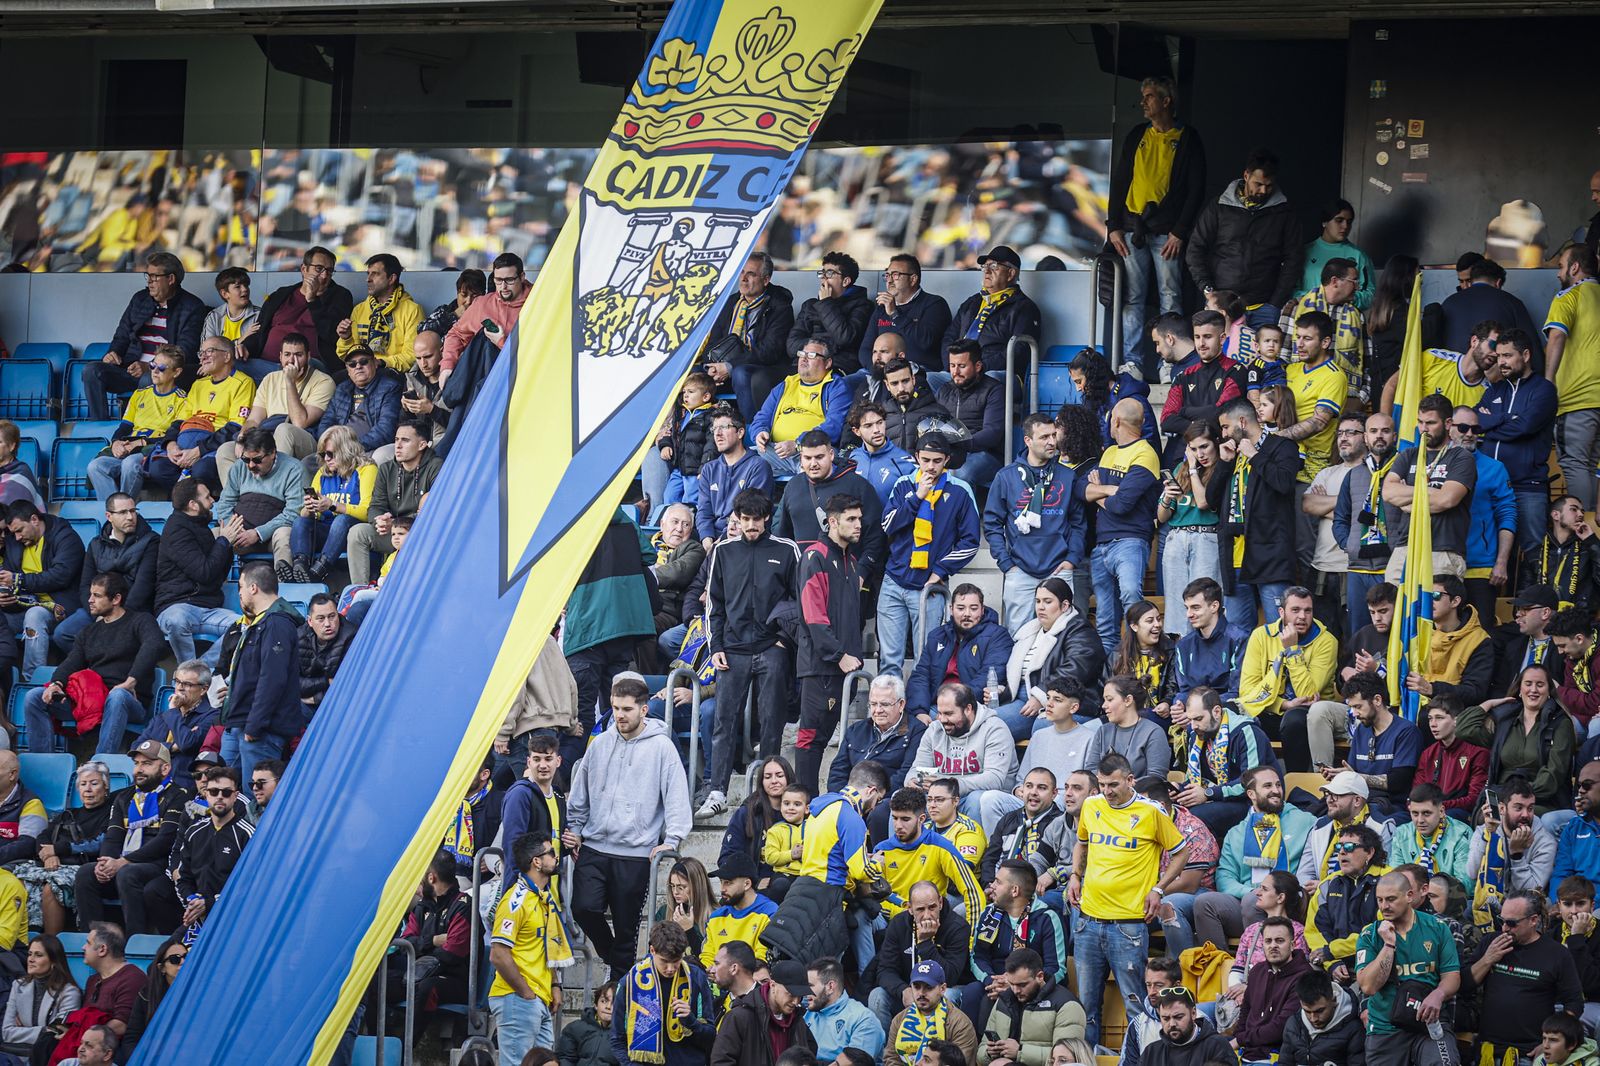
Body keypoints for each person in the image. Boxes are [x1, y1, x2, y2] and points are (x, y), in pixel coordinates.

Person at [567, 677, 691, 978]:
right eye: (614, 708)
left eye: (626, 709)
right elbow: (580, 790)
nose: (620, 715)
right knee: (583, 908)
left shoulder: (662, 747)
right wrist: (576, 828)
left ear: (644, 709)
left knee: (627, 929)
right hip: (595, 845)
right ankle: (615, 961)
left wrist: (672, 840)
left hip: (636, 853)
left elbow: (676, 795)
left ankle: (620, 994)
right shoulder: (600, 744)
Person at [1067, 753, 1187, 1047]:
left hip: (1128, 925)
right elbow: (1082, 843)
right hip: (1089, 922)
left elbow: (1182, 852)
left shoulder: (1152, 812)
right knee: (1087, 1009)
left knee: (1138, 1007)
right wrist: (1074, 875)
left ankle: (1145, 1057)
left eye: (1114, 784)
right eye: (1103, 784)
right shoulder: (1092, 806)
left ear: (1130, 780)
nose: (1107, 791)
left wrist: (1158, 889)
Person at [699, 490, 800, 817]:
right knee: (723, 720)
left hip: (773, 647)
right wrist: (716, 648)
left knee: (772, 719)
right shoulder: (722, 551)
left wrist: (785, 638)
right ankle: (717, 791)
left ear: (767, 517)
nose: (751, 525)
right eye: (745, 519)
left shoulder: (787, 550)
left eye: (757, 519)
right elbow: (714, 604)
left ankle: (766, 792)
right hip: (733, 649)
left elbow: (800, 600)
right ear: (737, 519)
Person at [1107, 76, 1206, 371]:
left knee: (1170, 297)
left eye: (1150, 96)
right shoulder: (1138, 134)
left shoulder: (1188, 137)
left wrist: (1180, 230)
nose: (1143, 102)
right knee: (1132, 297)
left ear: (1166, 101)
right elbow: (1120, 181)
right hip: (1132, 228)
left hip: (1167, 233)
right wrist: (1113, 226)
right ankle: (1132, 362)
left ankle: (1171, 364)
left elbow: (1195, 189)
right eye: (1143, 96)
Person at [762, 763, 889, 969]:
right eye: (878, 800)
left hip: (804, 887)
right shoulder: (850, 817)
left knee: (801, 962)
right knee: (822, 969)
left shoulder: (821, 808)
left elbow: (829, 851)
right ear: (871, 791)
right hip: (828, 896)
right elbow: (860, 870)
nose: (875, 807)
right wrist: (876, 864)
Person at [23, 572, 164, 756]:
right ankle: (43, 763)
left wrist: (131, 681)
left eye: (97, 596)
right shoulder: (89, 631)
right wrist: (56, 684)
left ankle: (102, 764)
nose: (90, 600)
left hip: (130, 701)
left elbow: (154, 644)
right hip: (92, 700)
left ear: (116, 599)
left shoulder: (140, 621)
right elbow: (72, 662)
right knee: (34, 697)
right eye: (90, 594)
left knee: (118, 696)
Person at [879, 434, 978, 675]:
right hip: (894, 581)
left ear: (947, 460)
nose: (931, 467)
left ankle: (920, 711)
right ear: (916, 458)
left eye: (937, 461)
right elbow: (888, 525)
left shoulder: (960, 490)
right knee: (889, 661)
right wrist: (917, 497)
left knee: (926, 662)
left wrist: (941, 571)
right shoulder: (904, 484)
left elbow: (970, 542)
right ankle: (889, 710)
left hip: (929, 587)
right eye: (925, 460)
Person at [1191, 766, 1316, 952]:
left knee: (1252, 901)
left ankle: (1258, 968)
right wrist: (1253, 891)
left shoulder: (1305, 821)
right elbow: (1225, 877)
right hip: (1246, 901)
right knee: (1204, 903)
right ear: (1251, 794)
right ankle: (1219, 968)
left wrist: (1265, 894)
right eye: (1267, 786)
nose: (1276, 790)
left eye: (1278, 785)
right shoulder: (1237, 832)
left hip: (1288, 902)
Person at [791, 494, 866, 794]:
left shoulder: (851, 559)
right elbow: (813, 616)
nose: (858, 524)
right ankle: (804, 806)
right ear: (833, 522)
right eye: (851, 519)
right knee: (810, 738)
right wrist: (838, 654)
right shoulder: (816, 556)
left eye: (859, 518)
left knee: (828, 738)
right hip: (821, 667)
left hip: (845, 665)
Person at [984, 415, 1085, 634]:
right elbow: (992, 523)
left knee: (1061, 635)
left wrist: (1071, 560)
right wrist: (1006, 563)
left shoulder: (1068, 477)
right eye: (1044, 437)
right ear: (1028, 441)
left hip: (1058, 568)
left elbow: (1078, 523)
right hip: (1019, 569)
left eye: (1053, 435)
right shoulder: (1006, 477)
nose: (1052, 442)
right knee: (1018, 635)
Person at [1463, 890, 1584, 1065]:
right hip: (1487, 1048)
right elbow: (1465, 984)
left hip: (1529, 1053)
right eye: (1501, 921)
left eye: (1511, 923)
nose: (1504, 928)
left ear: (1533, 920)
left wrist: (1549, 1044)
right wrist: (1488, 959)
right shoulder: (1491, 942)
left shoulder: (1556, 954)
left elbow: (1574, 1002)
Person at [81, 251, 207, 419]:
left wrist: (151, 366)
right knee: (91, 370)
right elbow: (122, 335)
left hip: (164, 372)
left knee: (149, 380)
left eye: (155, 277)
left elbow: (185, 350)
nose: (150, 282)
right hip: (131, 368)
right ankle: (99, 425)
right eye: (147, 276)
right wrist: (113, 354)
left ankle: (140, 428)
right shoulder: (140, 299)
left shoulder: (193, 306)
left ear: (171, 279)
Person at [1213, 397, 1302, 632]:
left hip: (1270, 556)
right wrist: (1223, 464)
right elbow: (1212, 501)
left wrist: (1255, 456)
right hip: (1235, 558)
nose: (1223, 434)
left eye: (1225, 427)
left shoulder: (1283, 447)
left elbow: (1284, 483)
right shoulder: (1232, 455)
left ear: (1242, 422)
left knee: (1279, 630)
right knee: (1238, 634)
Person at [1185, 150, 1302, 329]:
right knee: (1220, 356)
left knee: (1264, 357)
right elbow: (1195, 249)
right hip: (1222, 304)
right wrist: (1209, 291)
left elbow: (1294, 258)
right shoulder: (1219, 206)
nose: (1263, 191)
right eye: (1258, 184)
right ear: (1246, 175)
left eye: (1269, 186)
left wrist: (1276, 303)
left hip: (1265, 305)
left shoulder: (1284, 212)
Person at [1084, 398, 1161, 655]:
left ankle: (1135, 664)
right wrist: (1108, 491)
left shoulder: (1146, 453)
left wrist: (1099, 495)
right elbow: (1081, 490)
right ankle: (1109, 680)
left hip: (1130, 541)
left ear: (1115, 421)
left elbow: (1123, 504)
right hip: (1102, 545)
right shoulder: (1109, 452)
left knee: (1132, 605)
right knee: (1105, 621)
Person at [217, 563, 303, 781]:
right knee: (224, 794)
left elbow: (272, 679)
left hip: (259, 732)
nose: (240, 594)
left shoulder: (277, 624)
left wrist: (255, 726)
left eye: (241, 587)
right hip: (239, 725)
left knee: (255, 800)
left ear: (253, 588)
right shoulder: (260, 623)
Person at [490, 832, 569, 1065]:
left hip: (539, 998)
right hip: (518, 998)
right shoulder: (515, 899)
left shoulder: (543, 898)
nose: (556, 858)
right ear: (537, 861)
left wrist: (555, 984)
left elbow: (546, 946)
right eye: (551, 853)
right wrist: (526, 993)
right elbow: (498, 954)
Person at [992, 577, 1102, 742]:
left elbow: (1075, 669)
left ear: (1065, 606)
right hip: (1024, 699)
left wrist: (1042, 695)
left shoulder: (1081, 631)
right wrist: (1003, 689)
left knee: (1043, 727)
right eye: (1037, 601)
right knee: (990, 723)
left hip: (1068, 702)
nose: (1040, 607)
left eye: (1048, 601)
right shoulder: (1030, 631)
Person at [773, 432, 886, 591]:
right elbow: (783, 537)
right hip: (806, 584)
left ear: (831, 454)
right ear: (801, 459)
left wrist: (861, 573)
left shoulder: (858, 486)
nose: (813, 464)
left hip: (848, 582)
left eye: (819, 457)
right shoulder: (793, 486)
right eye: (807, 458)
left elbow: (876, 535)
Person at [1479, 328, 1559, 551]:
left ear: (1525, 355)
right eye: (1499, 357)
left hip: (1527, 487)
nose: (1501, 362)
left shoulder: (1544, 390)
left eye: (1507, 356)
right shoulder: (1495, 390)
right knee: (1491, 551)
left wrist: (1491, 423)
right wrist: (1507, 419)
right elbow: (1477, 422)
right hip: (1491, 487)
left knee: (1532, 553)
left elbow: (1524, 427)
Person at [1240, 586, 1338, 769]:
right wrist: (1283, 705)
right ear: (1281, 612)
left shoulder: (1327, 642)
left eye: (1307, 610)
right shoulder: (1261, 636)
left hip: (1309, 716)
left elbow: (1308, 695)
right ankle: (1249, 784)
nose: (1302, 616)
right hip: (1271, 709)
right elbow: (1247, 692)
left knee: (1293, 720)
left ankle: (1297, 783)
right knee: (1233, 712)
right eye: (1295, 610)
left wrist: (1292, 651)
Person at [143, 336, 256, 494]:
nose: (203, 356)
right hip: (185, 442)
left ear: (227, 356)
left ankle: (194, 502)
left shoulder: (243, 382)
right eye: (201, 353)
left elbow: (235, 427)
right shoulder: (198, 384)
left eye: (209, 351)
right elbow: (179, 421)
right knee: (158, 468)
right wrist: (171, 445)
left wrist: (199, 451)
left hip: (213, 445)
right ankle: (187, 501)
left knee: (201, 469)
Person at [216, 332, 335, 481]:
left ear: (308, 356)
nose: (292, 360)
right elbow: (254, 420)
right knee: (225, 451)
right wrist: (242, 439)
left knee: (284, 430)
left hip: (305, 440)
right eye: (287, 354)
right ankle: (238, 499)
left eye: (298, 355)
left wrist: (290, 382)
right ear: (280, 356)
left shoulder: (323, 381)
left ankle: (272, 491)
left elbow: (300, 423)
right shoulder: (270, 378)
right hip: (268, 436)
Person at [905, 683, 1019, 837]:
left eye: (949, 713)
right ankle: (905, 856)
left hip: (986, 802)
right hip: (943, 799)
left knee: (976, 799)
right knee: (903, 798)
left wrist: (948, 784)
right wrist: (912, 781)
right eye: (939, 713)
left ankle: (976, 857)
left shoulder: (994, 729)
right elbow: (917, 768)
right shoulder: (935, 730)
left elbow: (994, 779)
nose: (942, 719)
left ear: (968, 709)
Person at [963, 860, 1068, 1020]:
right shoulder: (989, 915)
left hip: (1031, 986)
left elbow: (1056, 968)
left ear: (1014, 890)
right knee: (972, 993)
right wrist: (991, 980)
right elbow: (978, 957)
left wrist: (1016, 984)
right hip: (993, 981)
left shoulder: (1047, 918)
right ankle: (976, 1045)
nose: (992, 886)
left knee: (996, 1001)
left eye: (998, 882)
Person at [54, 493, 158, 653]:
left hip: (133, 610)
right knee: (63, 634)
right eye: (123, 512)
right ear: (109, 516)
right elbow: (85, 585)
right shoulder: (96, 544)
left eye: (133, 511)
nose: (130, 517)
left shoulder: (151, 541)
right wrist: (96, 611)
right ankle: (94, 667)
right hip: (99, 608)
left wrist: (116, 616)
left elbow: (144, 587)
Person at [347, 419, 443, 585]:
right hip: (392, 531)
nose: (398, 445)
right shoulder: (386, 468)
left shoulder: (436, 466)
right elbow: (375, 506)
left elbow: (435, 510)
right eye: (397, 440)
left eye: (405, 440)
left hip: (419, 532)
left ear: (422, 445)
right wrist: (379, 520)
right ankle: (359, 589)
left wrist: (398, 523)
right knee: (358, 532)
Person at [1174, 687, 1278, 839]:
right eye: (1190, 720)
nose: (1193, 725)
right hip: (1218, 798)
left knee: (1193, 817)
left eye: (1198, 719)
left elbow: (1252, 783)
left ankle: (1204, 860)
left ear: (1216, 712)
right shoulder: (1195, 735)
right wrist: (1179, 789)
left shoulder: (1246, 731)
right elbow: (1195, 780)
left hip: (1251, 802)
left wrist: (1209, 794)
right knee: (1169, 811)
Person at [152, 479, 237, 663]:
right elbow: (203, 572)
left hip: (207, 607)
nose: (213, 500)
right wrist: (223, 541)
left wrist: (227, 544)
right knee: (177, 621)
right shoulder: (176, 530)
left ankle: (199, 670)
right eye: (207, 497)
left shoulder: (200, 526)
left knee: (243, 628)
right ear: (193, 505)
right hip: (176, 605)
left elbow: (217, 574)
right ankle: (188, 670)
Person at [703, 251, 795, 419]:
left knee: (740, 372)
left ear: (766, 280)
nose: (743, 278)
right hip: (724, 368)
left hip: (761, 367)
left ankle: (752, 431)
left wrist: (729, 366)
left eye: (751, 274)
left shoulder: (779, 307)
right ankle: (693, 433)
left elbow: (769, 351)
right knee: (690, 375)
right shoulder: (731, 302)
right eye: (742, 272)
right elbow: (712, 342)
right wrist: (712, 368)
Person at [871, 882, 972, 1033]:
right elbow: (885, 970)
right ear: (910, 909)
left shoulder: (958, 927)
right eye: (920, 909)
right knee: (877, 996)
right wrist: (903, 990)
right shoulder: (898, 924)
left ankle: (937, 1051)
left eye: (932, 907)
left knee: (948, 995)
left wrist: (925, 943)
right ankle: (886, 1053)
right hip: (911, 991)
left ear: (941, 903)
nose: (927, 915)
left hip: (946, 989)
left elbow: (950, 977)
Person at [1333, 410, 1399, 637]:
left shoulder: (1405, 471)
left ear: (1395, 436)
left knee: (1393, 633)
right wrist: (1348, 543)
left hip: (1390, 567)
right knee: (1359, 633)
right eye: (1373, 431)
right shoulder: (1354, 475)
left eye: (1385, 431)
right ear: (1365, 437)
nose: (1379, 436)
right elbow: (1340, 517)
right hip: (1358, 569)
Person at [86, 350, 185, 501]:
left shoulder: (183, 400)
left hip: (154, 448)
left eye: (162, 368)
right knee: (96, 466)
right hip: (129, 445)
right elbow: (125, 427)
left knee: (129, 464)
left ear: (176, 372)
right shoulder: (139, 394)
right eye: (152, 366)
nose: (155, 371)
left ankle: (125, 510)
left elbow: (173, 435)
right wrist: (116, 443)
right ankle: (113, 515)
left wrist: (141, 443)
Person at [0, 500, 84, 676]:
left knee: (35, 614)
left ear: (34, 519)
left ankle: (31, 678)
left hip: (60, 607)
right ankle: (6, 678)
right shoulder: (15, 544)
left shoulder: (66, 537)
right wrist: (6, 598)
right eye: (13, 533)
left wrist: (19, 580)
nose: (16, 537)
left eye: (19, 530)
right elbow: (10, 580)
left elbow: (60, 576)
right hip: (24, 605)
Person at [1303, 415, 1366, 640]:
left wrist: (1327, 505)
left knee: (1353, 638)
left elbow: (1365, 516)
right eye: (1340, 433)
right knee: (1322, 639)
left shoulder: (1371, 474)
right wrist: (1348, 503)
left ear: (1366, 437)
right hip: (1321, 568)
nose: (1343, 438)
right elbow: (1308, 504)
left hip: (1354, 569)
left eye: (1351, 433)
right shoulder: (1327, 473)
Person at [170, 764, 253, 935]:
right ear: (206, 794)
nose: (220, 797)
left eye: (226, 792)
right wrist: (192, 901)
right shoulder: (194, 832)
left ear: (236, 796)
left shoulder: (247, 834)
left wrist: (209, 904)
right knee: (165, 956)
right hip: (199, 918)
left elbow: (249, 886)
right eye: (214, 792)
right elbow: (183, 878)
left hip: (234, 919)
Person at [1466, 779, 1557, 934]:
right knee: (1468, 909)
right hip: (1491, 900)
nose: (1526, 815)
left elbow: (1532, 891)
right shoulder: (1484, 831)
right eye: (1518, 808)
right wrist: (1490, 836)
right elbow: (1472, 872)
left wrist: (1517, 856)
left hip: (1524, 908)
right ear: (1501, 808)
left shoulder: (1545, 841)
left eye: (1530, 808)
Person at [1483, 664, 1576, 815]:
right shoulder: (1505, 721)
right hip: (1503, 798)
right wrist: (1491, 703)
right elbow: (1463, 728)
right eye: (1528, 684)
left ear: (1549, 691)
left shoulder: (1561, 723)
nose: (1533, 690)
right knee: (1484, 817)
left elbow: (1554, 774)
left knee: (1513, 816)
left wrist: (1517, 799)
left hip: (1540, 801)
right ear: (1519, 689)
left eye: (1540, 685)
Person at [1157, 424, 1223, 634]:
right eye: (1193, 449)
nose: (1200, 454)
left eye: (1204, 446)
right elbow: (1161, 516)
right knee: (1177, 605)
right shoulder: (1180, 469)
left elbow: (1203, 503)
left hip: (1206, 537)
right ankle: (1177, 659)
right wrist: (1167, 496)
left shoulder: (1221, 468)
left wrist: (1193, 468)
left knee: (1204, 603)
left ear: (1216, 443)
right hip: (1176, 538)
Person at [752, 339, 853, 476]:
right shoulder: (786, 385)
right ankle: (800, 471)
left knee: (826, 456)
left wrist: (798, 444)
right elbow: (762, 416)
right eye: (801, 354)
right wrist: (760, 431)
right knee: (752, 456)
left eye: (811, 355)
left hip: (813, 451)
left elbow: (834, 426)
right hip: (777, 452)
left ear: (828, 363)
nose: (804, 359)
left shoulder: (836, 387)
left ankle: (803, 470)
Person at [213, 425, 306, 573]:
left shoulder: (293, 469)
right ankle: (207, 590)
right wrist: (234, 530)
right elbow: (225, 503)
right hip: (239, 534)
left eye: (257, 460)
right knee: (209, 536)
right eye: (246, 459)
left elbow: (293, 512)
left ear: (273, 453)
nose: (250, 465)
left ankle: (285, 586)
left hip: (271, 534)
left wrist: (258, 533)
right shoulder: (239, 467)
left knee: (284, 535)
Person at [1330, 671, 1423, 818]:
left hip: (1392, 807)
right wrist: (1338, 774)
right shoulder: (1362, 730)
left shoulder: (1406, 732)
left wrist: (1356, 776)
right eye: (1352, 707)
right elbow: (1353, 771)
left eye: (1358, 706)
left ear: (1377, 700)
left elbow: (1398, 782)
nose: (1354, 713)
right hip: (1359, 802)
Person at [245, 246, 354, 370]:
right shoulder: (281, 294)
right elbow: (259, 331)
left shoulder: (340, 296)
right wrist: (245, 347)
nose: (324, 276)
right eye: (319, 269)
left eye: (329, 271)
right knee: (232, 362)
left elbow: (332, 335)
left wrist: (312, 301)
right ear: (304, 269)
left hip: (310, 365)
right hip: (268, 363)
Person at [974, 946, 1086, 1065]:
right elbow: (980, 1053)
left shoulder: (1067, 1005)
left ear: (1040, 976)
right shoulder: (1004, 999)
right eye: (1011, 984)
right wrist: (990, 1053)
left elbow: (1068, 1060)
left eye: (1022, 985)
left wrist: (1020, 1052)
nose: (1016, 990)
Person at [1305, 824, 1386, 978]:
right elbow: (1314, 930)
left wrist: (1332, 951)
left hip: (1374, 959)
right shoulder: (1327, 884)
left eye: (1349, 847)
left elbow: (1379, 930)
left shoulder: (1388, 881)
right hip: (1333, 962)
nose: (1341, 852)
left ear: (1369, 852)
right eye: (1339, 846)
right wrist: (1332, 963)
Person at [941, 246, 1042, 370]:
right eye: (985, 267)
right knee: (932, 378)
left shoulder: (1024, 308)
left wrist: (978, 369)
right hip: (960, 371)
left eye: (994, 266)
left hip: (994, 374)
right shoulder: (972, 302)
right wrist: (951, 366)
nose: (987, 271)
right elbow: (949, 337)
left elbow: (1019, 351)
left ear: (1011, 273)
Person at [1231, 916, 1313, 1063]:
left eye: (1279, 941)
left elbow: (1281, 1027)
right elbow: (1245, 1012)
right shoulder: (1257, 971)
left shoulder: (1304, 977)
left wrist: (1240, 1040)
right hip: (1247, 1048)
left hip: (1276, 1054)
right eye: (1268, 941)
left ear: (1293, 944)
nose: (1273, 945)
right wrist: (1238, 1039)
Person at [711, 957, 818, 1066]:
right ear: (772, 985)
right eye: (790, 994)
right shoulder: (740, 1017)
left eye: (800, 996)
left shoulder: (797, 1019)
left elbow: (809, 1055)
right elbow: (721, 1061)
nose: (796, 1001)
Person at [441, 252, 531, 382]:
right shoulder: (483, 303)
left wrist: (502, 342)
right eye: (498, 280)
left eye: (509, 280)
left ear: (522, 277)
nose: (503, 287)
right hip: (486, 385)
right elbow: (456, 334)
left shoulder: (537, 302)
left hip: (524, 380)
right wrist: (447, 366)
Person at [1294, 769, 1392, 888]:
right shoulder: (1319, 826)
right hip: (1319, 900)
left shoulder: (1381, 828)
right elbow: (1305, 873)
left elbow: (1380, 878)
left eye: (1337, 795)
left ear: (1357, 800)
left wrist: (1326, 888)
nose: (1329, 800)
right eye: (1328, 794)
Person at [696, 407, 775, 550]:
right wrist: (707, 541)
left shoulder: (758, 466)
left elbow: (748, 512)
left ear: (740, 432)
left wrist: (719, 544)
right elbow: (703, 511)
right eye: (715, 429)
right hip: (711, 542)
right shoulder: (709, 469)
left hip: (744, 541)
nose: (718, 434)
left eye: (724, 427)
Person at [1280, 259, 1367, 389]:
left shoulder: (1356, 315)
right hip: (1298, 391)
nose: (1358, 287)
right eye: (1354, 281)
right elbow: (1282, 355)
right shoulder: (1295, 307)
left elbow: (1367, 362)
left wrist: (1361, 397)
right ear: (1335, 281)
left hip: (1344, 393)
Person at [935, 341, 1008, 489]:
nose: (955, 372)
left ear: (978, 366)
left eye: (962, 366)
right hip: (951, 452)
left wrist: (959, 443)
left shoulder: (994, 390)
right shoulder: (944, 390)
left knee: (960, 474)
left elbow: (992, 433)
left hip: (987, 454)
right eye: (952, 366)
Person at [788, 251, 873, 376]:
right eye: (822, 273)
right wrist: (816, 349)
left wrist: (826, 303)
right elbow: (791, 346)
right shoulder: (809, 305)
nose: (824, 278)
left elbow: (845, 338)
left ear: (846, 281)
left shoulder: (862, 306)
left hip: (837, 365)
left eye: (829, 273)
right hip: (803, 365)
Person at [883, 960, 979, 1066]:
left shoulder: (960, 1023)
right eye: (917, 986)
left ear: (942, 989)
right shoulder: (899, 1019)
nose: (921, 993)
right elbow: (891, 1058)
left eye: (928, 987)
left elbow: (958, 1063)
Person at [336, 253, 422, 370]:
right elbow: (347, 356)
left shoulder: (412, 310)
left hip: (391, 372)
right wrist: (346, 339)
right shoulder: (359, 310)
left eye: (375, 274)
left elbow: (413, 357)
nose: (368, 279)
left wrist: (381, 363)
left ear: (391, 278)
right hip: (361, 372)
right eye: (368, 273)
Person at [1172, 578, 1249, 707]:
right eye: (1187, 608)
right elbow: (1183, 691)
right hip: (1191, 715)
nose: (1189, 614)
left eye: (1195, 608)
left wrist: (1199, 708)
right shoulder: (1183, 645)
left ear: (1214, 606)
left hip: (1227, 715)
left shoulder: (1238, 640)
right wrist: (1179, 706)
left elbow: (1237, 693)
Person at [315, 345, 403, 458]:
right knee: (308, 462)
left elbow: (386, 430)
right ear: (348, 371)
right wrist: (330, 445)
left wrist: (351, 447)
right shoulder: (342, 389)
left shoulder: (390, 388)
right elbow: (326, 423)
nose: (358, 366)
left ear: (375, 363)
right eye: (352, 364)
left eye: (364, 362)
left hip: (369, 449)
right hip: (339, 449)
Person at [2, 934, 80, 1052]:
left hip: (49, 1056)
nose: (31, 959)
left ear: (54, 961)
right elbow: (6, 1032)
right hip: (18, 1055)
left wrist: (22, 1032)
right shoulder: (18, 985)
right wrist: (44, 1030)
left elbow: (56, 1034)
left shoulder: (69, 992)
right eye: (29, 954)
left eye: (38, 955)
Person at [1083, 676, 1171, 779]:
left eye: (1109, 699)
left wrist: (1121, 787)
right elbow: (1090, 772)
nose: (1104, 705)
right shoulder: (1103, 731)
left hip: (1139, 794)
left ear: (1128, 700)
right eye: (1104, 700)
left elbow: (1156, 778)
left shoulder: (1153, 732)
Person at [1416, 699, 1489, 821]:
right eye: (1430, 718)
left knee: (1447, 817)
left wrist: (1437, 806)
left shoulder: (1478, 752)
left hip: (1461, 816)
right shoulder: (1428, 754)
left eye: (1439, 718)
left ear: (1457, 721)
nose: (1433, 724)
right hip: (1429, 812)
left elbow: (1474, 799)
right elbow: (1416, 792)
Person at [1525, 496, 1600, 613]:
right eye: (1574, 509)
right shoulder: (1536, 551)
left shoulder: (1589, 549)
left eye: (1582, 511)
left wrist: (1591, 541)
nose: (1580, 514)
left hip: (1577, 618)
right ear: (1556, 515)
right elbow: (1525, 591)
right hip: (1542, 619)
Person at [1277, 968, 1366, 1066]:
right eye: (1307, 1011)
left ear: (1334, 1000)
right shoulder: (1293, 1024)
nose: (1313, 1018)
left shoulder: (1354, 1029)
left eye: (1319, 1011)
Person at [806, 957, 885, 1062]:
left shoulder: (863, 1020)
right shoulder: (807, 1014)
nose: (805, 991)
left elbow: (856, 1064)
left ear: (830, 986)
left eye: (810, 985)